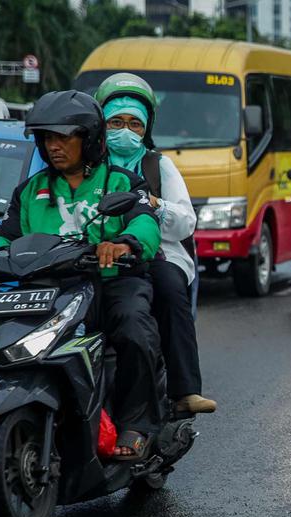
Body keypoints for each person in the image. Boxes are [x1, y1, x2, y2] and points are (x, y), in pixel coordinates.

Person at [0, 90, 162, 461]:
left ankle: (138, 424)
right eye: (47, 138)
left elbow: (145, 221)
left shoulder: (122, 182)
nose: (54, 146)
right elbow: (7, 233)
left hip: (110, 281)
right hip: (48, 286)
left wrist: (125, 243)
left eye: (63, 137)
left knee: (133, 327)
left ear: (90, 139)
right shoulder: (31, 190)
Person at [95, 73, 217, 415]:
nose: (124, 130)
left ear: (145, 129)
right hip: (95, 254)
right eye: (115, 121)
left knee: (169, 289)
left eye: (134, 123)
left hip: (157, 253)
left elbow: (186, 222)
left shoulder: (157, 164)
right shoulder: (87, 165)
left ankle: (185, 389)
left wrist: (155, 204)